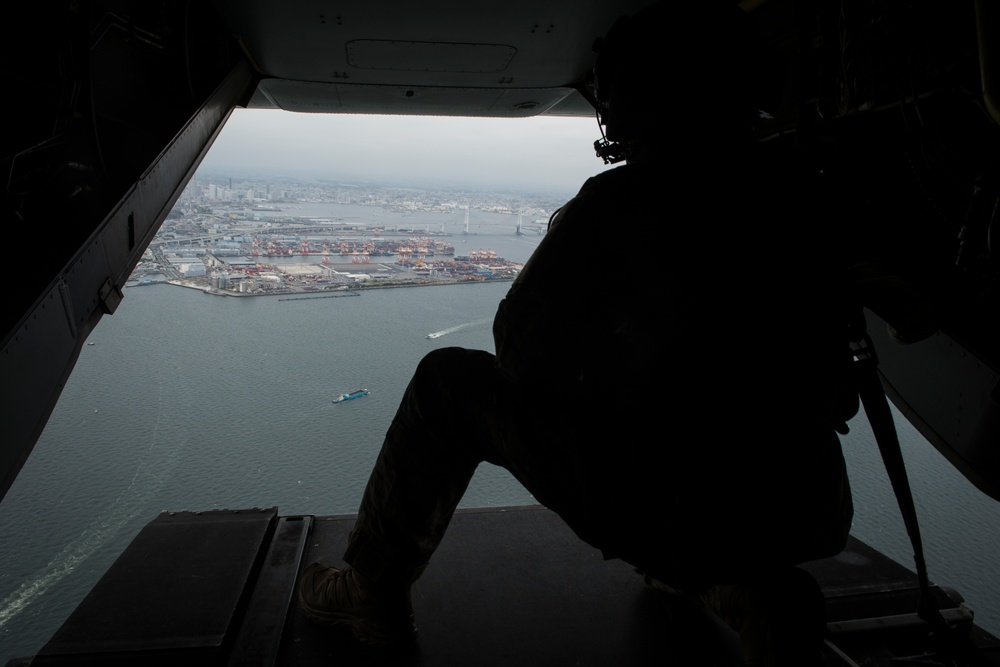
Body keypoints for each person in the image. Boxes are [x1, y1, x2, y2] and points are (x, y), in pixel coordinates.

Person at [298, 3, 857, 663]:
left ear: (636, 99)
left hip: (665, 509)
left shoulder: (619, 203)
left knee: (447, 383)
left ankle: (371, 591)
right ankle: (740, 588)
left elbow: (519, 354)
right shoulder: (811, 196)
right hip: (800, 508)